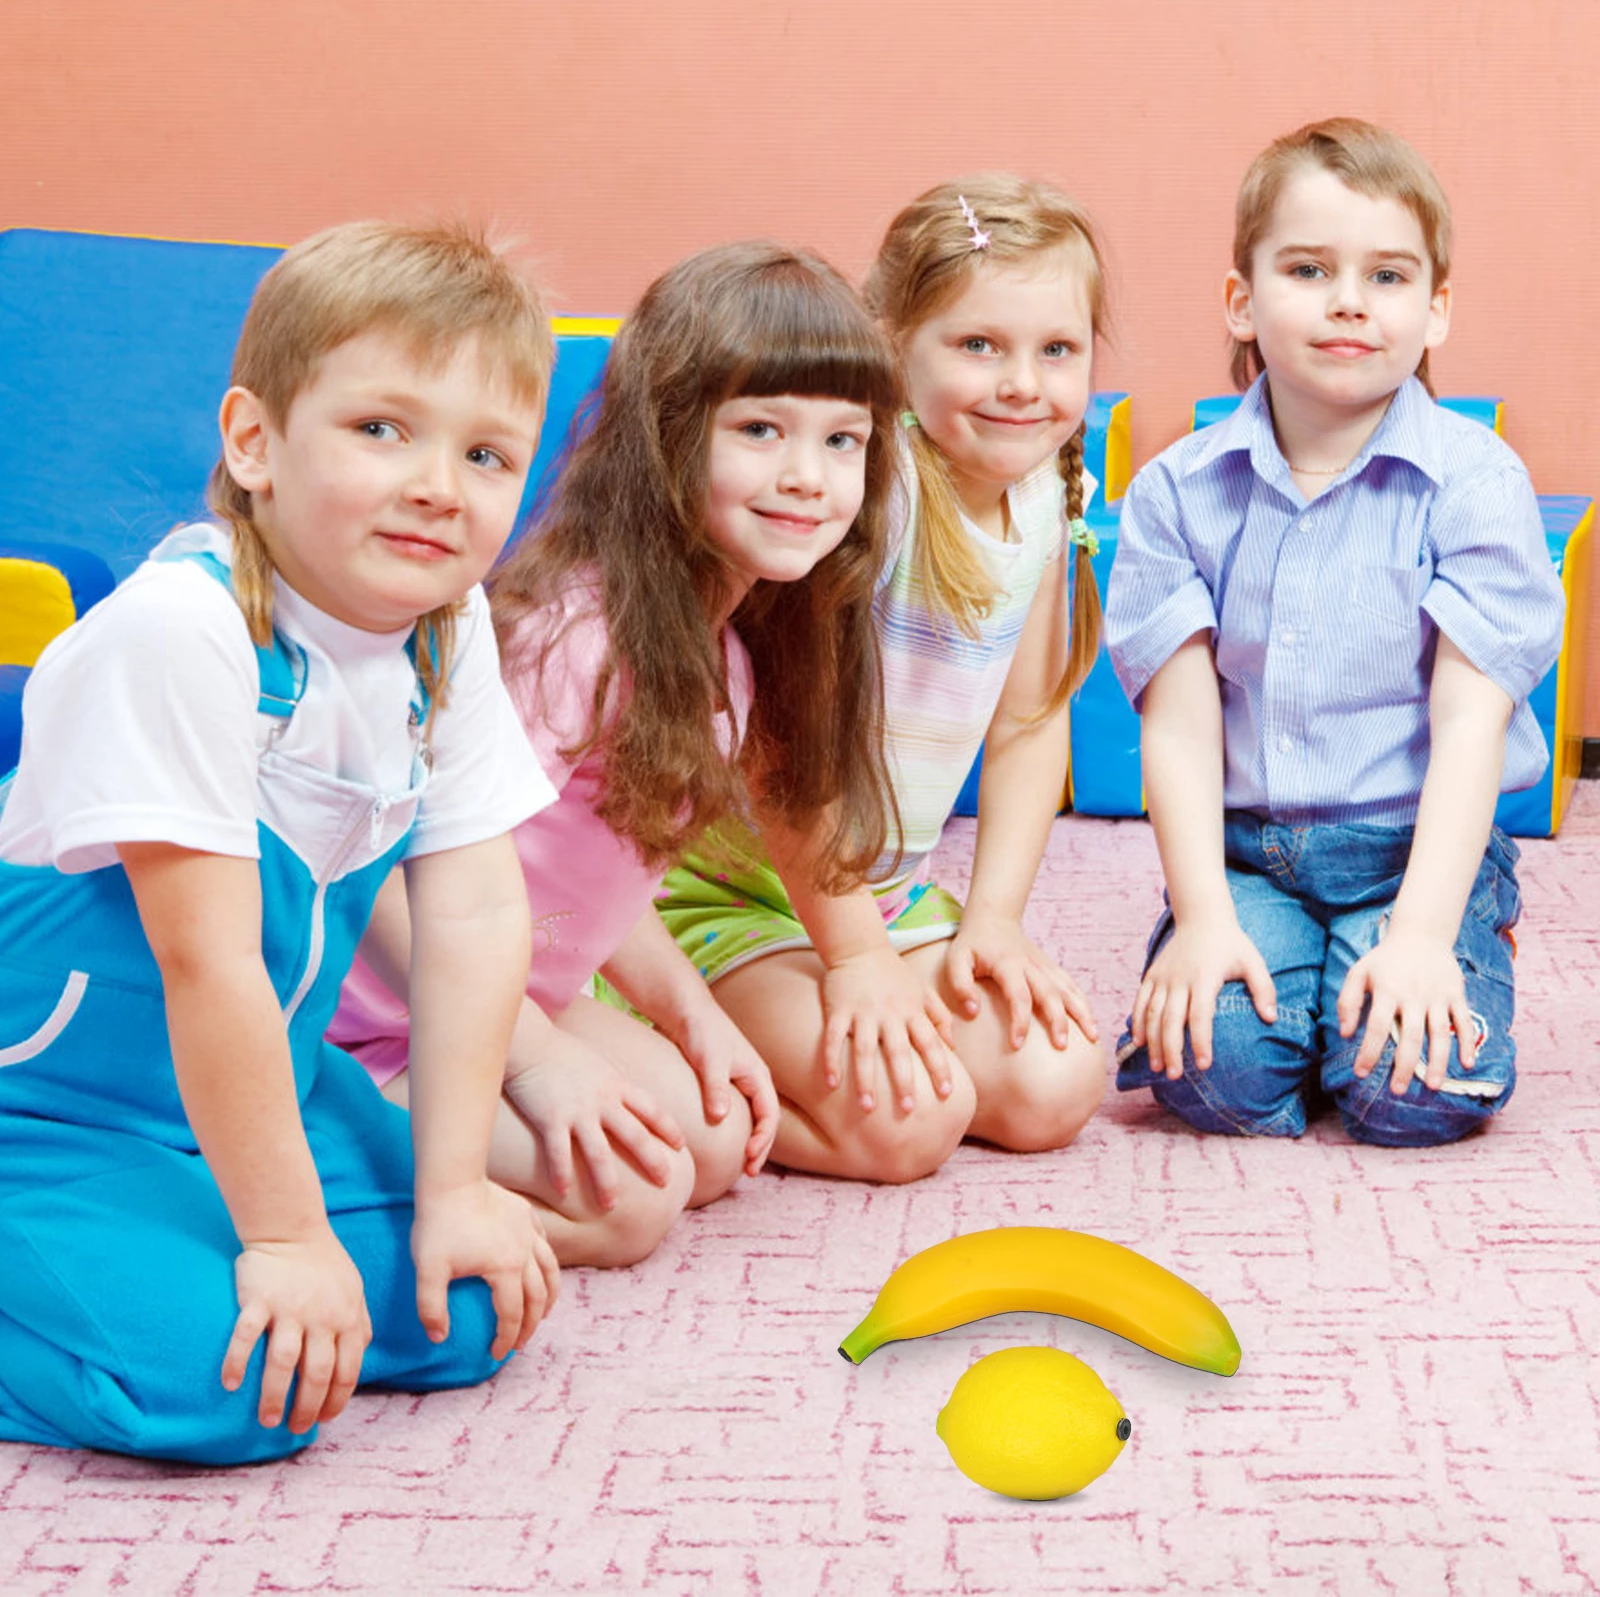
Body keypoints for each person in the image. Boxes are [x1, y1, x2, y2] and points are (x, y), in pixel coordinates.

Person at [0, 220, 562, 1464]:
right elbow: (206, 962)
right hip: (49, 1110)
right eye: (381, 429)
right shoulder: (177, 632)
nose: (437, 483)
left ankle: (209, 1213)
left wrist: (458, 1183)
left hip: (262, 1088)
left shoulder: (442, 625)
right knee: (234, 1387)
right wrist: (289, 1241)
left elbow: (472, 909)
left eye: (485, 453)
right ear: (253, 442)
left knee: (457, 1309)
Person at [331, 242, 903, 1251]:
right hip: (379, 1016)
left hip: (517, 991)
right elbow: (383, 868)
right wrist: (538, 1056)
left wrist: (688, 1012)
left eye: (842, 440)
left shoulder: (719, 649)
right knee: (632, 1204)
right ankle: (322, 1190)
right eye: (761, 430)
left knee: (715, 1146)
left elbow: (599, 866)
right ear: (669, 437)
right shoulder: (577, 639)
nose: (808, 478)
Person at [1104, 118, 1565, 1145]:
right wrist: (1207, 920)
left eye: (1388, 277)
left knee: (1409, 1091)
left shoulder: (1474, 481)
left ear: (1436, 310)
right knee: (1213, 1070)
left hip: (1412, 844)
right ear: (1241, 298)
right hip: (1248, 852)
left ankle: (1446, 941)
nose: (1349, 300)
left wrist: (1419, 936)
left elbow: (1468, 731)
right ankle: (1283, 968)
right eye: (1308, 269)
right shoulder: (1174, 493)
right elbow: (1177, 732)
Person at [655, 177, 1110, 1183]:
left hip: (887, 894)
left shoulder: (1041, 494)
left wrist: (992, 916)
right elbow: (784, 746)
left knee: (1056, 1082)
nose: (1021, 383)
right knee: (908, 1124)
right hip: (731, 892)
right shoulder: (865, 492)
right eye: (977, 345)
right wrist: (854, 962)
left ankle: (805, 1038)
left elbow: (1030, 721)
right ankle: (689, 1063)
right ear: (889, 347)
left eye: (1057, 350)